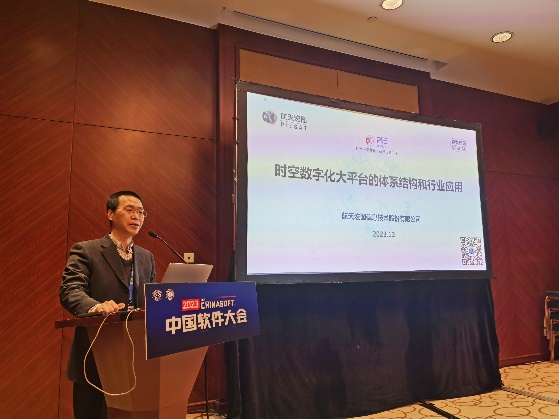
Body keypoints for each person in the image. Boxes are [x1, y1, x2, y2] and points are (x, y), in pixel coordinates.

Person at [59, 191, 156, 419]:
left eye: (141, 212)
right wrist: (96, 307)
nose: (137, 216)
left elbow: (150, 298)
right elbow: (70, 290)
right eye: (129, 210)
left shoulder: (146, 257)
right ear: (110, 214)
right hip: (95, 352)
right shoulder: (87, 250)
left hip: (134, 355)